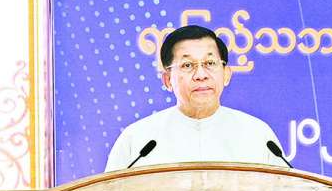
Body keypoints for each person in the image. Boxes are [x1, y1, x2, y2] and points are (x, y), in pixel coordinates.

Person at [105, 25, 282, 171]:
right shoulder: (138, 140)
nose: (200, 75)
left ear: (226, 74)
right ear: (167, 80)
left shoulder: (258, 136)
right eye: (187, 65)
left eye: (210, 63)